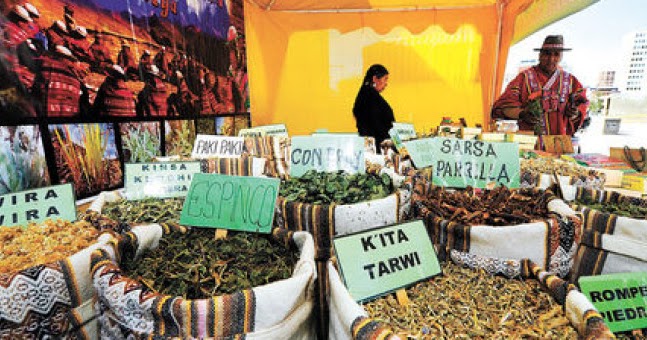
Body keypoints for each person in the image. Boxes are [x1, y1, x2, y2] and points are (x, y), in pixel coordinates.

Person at [491, 35, 588, 139]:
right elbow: (503, 105)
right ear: (539, 55)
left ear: (561, 56)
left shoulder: (571, 81)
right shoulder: (524, 78)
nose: (551, 59)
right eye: (547, 54)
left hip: (559, 143)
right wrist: (522, 114)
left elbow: (582, 106)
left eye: (556, 55)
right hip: (529, 142)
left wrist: (575, 113)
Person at [352, 64, 395, 153]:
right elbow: (375, 123)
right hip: (378, 147)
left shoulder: (366, 95)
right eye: (385, 79)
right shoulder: (370, 97)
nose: (386, 83)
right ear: (375, 79)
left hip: (374, 145)